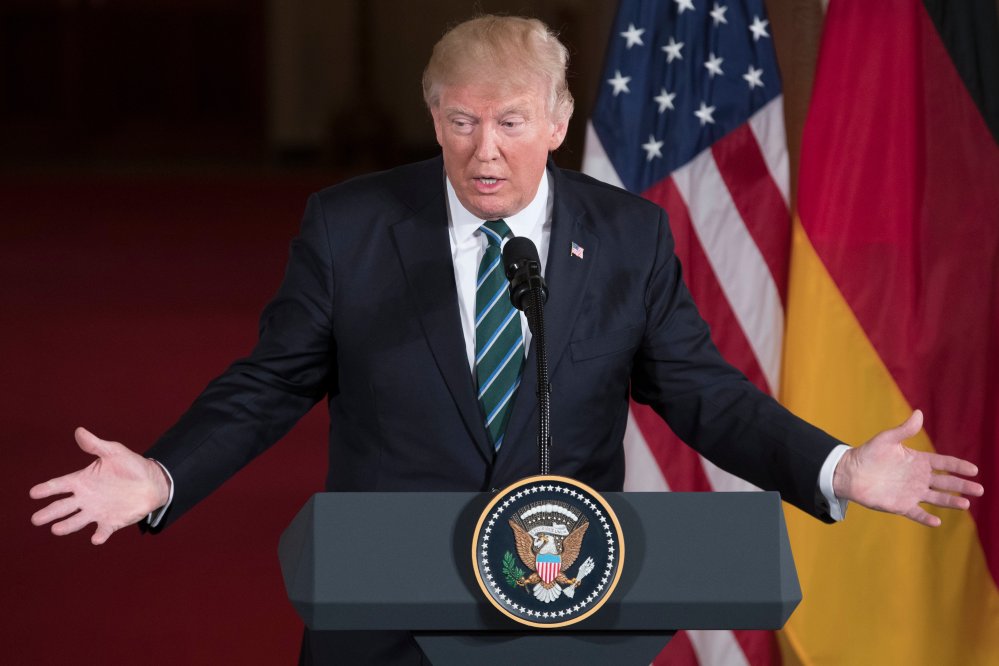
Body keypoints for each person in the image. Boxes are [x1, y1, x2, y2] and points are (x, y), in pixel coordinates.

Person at [30, 15, 983, 665]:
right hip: (384, 604)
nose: (486, 149)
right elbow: (270, 383)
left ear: (558, 123)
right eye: (463, 122)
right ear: (436, 121)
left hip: (562, 601)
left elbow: (701, 391)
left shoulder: (626, 236)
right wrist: (162, 476)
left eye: (512, 122)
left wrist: (834, 469)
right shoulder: (350, 226)